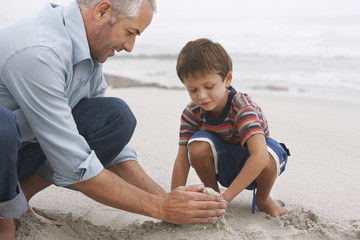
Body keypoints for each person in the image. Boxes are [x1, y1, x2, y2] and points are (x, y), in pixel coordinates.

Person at [0, 2, 226, 239]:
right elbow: (71, 161)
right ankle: (4, 215)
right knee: (3, 125)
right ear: (102, 11)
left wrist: (165, 199)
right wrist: (163, 209)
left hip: (14, 153)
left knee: (116, 118)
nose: (130, 47)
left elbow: (102, 139)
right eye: (130, 32)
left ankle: (17, 198)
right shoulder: (41, 51)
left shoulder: (87, 53)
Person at [171, 38, 290, 218]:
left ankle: (263, 199)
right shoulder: (191, 112)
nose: (201, 96)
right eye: (193, 90)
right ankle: (213, 196)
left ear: (227, 79)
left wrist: (226, 199)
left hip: (257, 168)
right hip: (224, 165)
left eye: (209, 86)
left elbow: (259, 157)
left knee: (267, 153)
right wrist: (174, 200)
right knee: (196, 145)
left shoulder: (242, 106)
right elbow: (182, 159)